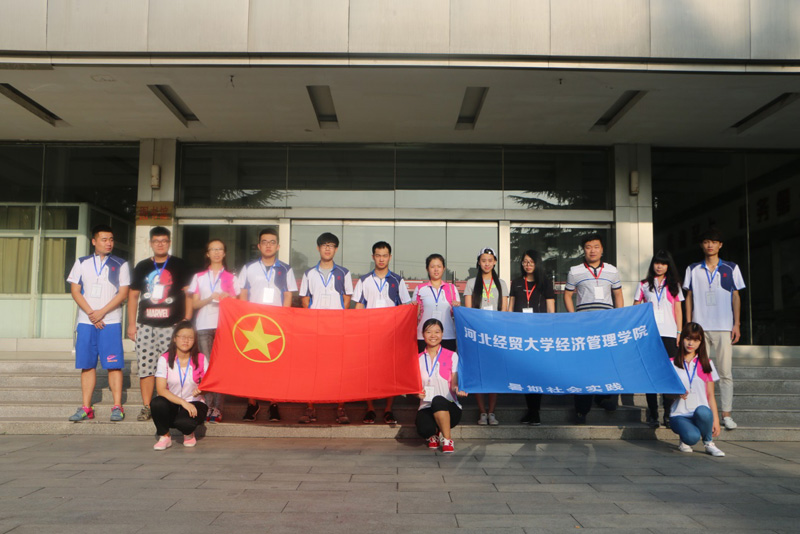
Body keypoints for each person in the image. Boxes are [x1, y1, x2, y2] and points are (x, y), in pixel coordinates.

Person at [128, 226, 192, 422]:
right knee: (146, 367)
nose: (160, 244)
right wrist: (131, 324)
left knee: (171, 367)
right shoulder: (142, 266)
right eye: (156, 241)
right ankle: (147, 406)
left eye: (164, 241)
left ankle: (173, 405)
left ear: (169, 243)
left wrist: (187, 319)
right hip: (146, 325)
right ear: (150, 243)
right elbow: (133, 296)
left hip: (172, 326)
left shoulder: (180, 264)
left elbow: (189, 294)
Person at [66, 224, 130, 422]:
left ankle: (117, 406)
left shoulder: (121, 264)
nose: (108, 243)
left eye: (111, 239)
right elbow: (75, 290)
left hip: (110, 321)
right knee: (87, 365)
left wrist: (101, 313)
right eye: (104, 239)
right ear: (94, 241)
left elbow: (123, 293)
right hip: (86, 322)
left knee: (114, 365)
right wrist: (91, 313)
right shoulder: (82, 262)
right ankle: (86, 407)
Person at [683, 228, 745, 431]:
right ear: (701, 245)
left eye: (714, 242)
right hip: (699, 329)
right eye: (706, 242)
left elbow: (736, 296)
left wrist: (736, 324)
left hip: (723, 327)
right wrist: (689, 324)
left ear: (720, 245)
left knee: (725, 372)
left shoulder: (731, 268)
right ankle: (702, 412)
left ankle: (726, 414)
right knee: (700, 372)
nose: (710, 245)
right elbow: (688, 297)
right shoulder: (693, 269)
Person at [237, 227, 298, 422]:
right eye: (264, 242)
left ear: (278, 246)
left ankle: (273, 403)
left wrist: (284, 319)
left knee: (275, 365)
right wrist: (245, 318)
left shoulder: (286, 269)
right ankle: (252, 403)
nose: (268, 245)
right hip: (254, 324)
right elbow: (243, 293)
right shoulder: (249, 268)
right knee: (252, 364)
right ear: (259, 246)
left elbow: (288, 295)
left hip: (276, 324)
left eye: (272, 242)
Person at [564, 233, 624, 424]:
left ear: (602, 249)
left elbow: (618, 295)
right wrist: (574, 317)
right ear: (584, 250)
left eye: (596, 246)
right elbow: (567, 295)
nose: (592, 250)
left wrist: (618, 319)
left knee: (606, 363)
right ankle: (581, 410)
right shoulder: (575, 271)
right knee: (584, 366)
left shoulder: (612, 271)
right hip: (584, 325)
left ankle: (604, 398)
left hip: (606, 324)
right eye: (588, 247)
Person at [298, 232, 354, 424]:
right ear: (318, 248)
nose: (327, 248)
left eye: (331, 245)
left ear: (336, 249)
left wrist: (335, 319)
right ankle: (310, 407)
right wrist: (316, 318)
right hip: (315, 327)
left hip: (336, 328)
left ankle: (340, 407)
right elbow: (305, 299)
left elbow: (347, 299)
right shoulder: (309, 273)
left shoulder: (344, 273)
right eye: (324, 245)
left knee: (339, 368)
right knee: (312, 367)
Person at [353, 241, 411, 424]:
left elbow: (405, 308)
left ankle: (388, 409)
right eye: (378, 255)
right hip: (369, 334)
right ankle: (370, 408)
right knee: (368, 371)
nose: (381, 259)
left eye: (385, 255)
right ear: (373, 257)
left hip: (390, 335)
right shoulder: (364, 280)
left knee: (389, 372)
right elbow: (358, 307)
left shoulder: (397, 280)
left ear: (390, 257)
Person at [188, 239, 239, 423]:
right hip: (203, 325)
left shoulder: (231, 277)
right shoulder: (199, 277)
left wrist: (228, 298)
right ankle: (207, 405)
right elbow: (194, 304)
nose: (217, 252)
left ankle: (218, 407)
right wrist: (210, 298)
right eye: (213, 249)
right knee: (207, 366)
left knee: (220, 367)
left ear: (224, 253)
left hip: (223, 326)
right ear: (207, 253)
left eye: (220, 249)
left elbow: (238, 305)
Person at [634, 250, 684, 429]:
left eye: (663, 263)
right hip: (649, 334)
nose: (659, 266)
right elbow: (636, 308)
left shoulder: (674, 285)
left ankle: (668, 413)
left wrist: (679, 332)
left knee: (668, 373)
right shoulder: (643, 284)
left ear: (668, 266)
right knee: (651, 374)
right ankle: (653, 413)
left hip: (669, 334)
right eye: (657, 263)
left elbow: (678, 310)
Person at [508, 249, 555, 426]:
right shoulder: (517, 283)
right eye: (525, 261)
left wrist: (550, 330)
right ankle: (531, 409)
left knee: (536, 372)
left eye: (531, 262)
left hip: (539, 334)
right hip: (521, 333)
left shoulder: (545, 283)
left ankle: (535, 411)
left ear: (537, 263)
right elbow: (510, 308)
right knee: (526, 371)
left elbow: (550, 309)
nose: (528, 265)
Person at [464, 247, 508, 426]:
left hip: (494, 336)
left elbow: (504, 311)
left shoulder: (501, 283)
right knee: (479, 373)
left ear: (495, 262)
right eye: (483, 260)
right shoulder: (471, 283)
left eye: (490, 260)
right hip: (477, 335)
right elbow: (468, 311)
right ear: (479, 262)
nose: (487, 264)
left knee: (493, 374)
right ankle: (482, 412)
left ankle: (492, 412)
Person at [668, 322, 725, 457]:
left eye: (695, 340)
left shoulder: (706, 364)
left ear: (701, 343)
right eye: (688, 339)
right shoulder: (671, 363)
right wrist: (676, 393)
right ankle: (685, 438)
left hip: (700, 413)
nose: (691, 343)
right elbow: (666, 394)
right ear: (682, 339)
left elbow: (710, 395)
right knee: (691, 437)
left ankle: (709, 443)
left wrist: (716, 420)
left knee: (703, 411)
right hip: (679, 414)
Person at [151, 321, 209, 450]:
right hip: (173, 402)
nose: (186, 340)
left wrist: (202, 390)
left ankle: (189, 434)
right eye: (182, 337)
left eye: (190, 337)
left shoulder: (200, 358)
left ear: (195, 340)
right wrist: (183, 403)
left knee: (184, 423)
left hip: (194, 402)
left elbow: (208, 385)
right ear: (174, 338)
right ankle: (164, 437)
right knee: (157, 403)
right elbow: (161, 390)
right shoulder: (164, 359)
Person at [416, 319, 467, 454]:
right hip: (426, 405)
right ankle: (433, 434)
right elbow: (415, 386)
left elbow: (454, 383)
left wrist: (459, 389)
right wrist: (416, 393)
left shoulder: (452, 355)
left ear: (443, 334)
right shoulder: (417, 359)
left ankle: (447, 439)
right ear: (423, 334)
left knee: (438, 400)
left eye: (437, 332)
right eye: (429, 332)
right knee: (423, 429)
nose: (433, 335)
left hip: (449, 407)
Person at [412, 254, 460, 353]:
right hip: (424, 336)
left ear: (444, 268)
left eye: (439, 266)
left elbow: (456, 314)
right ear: (427, 269)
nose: (436, 270)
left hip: (447, 335)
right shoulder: (420, 289)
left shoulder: (451, 289)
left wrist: (457, 307)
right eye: (432, 267)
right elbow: (414, 315)